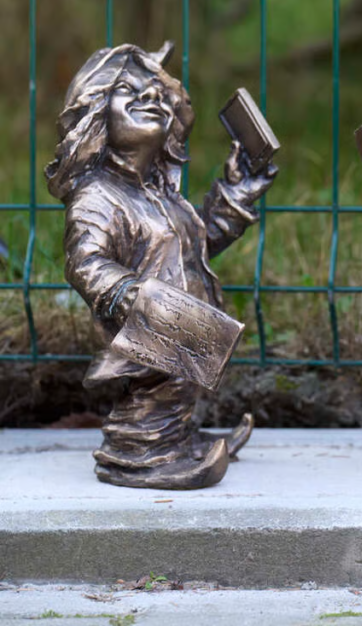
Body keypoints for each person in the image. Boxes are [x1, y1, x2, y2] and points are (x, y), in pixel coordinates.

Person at [46, 42, 277, 489]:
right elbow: (84, 260)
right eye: (129, 90)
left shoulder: (162, 194)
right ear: (97, 113)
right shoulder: (98, 195)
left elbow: (197, 244)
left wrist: (237, 192)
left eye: (157, 92)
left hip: (185, 324)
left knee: (178, 389)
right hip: (145, 324)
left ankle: (174, 437)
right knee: (157, 388)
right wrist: (128, 293)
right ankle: (139, 451)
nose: (151, 95)